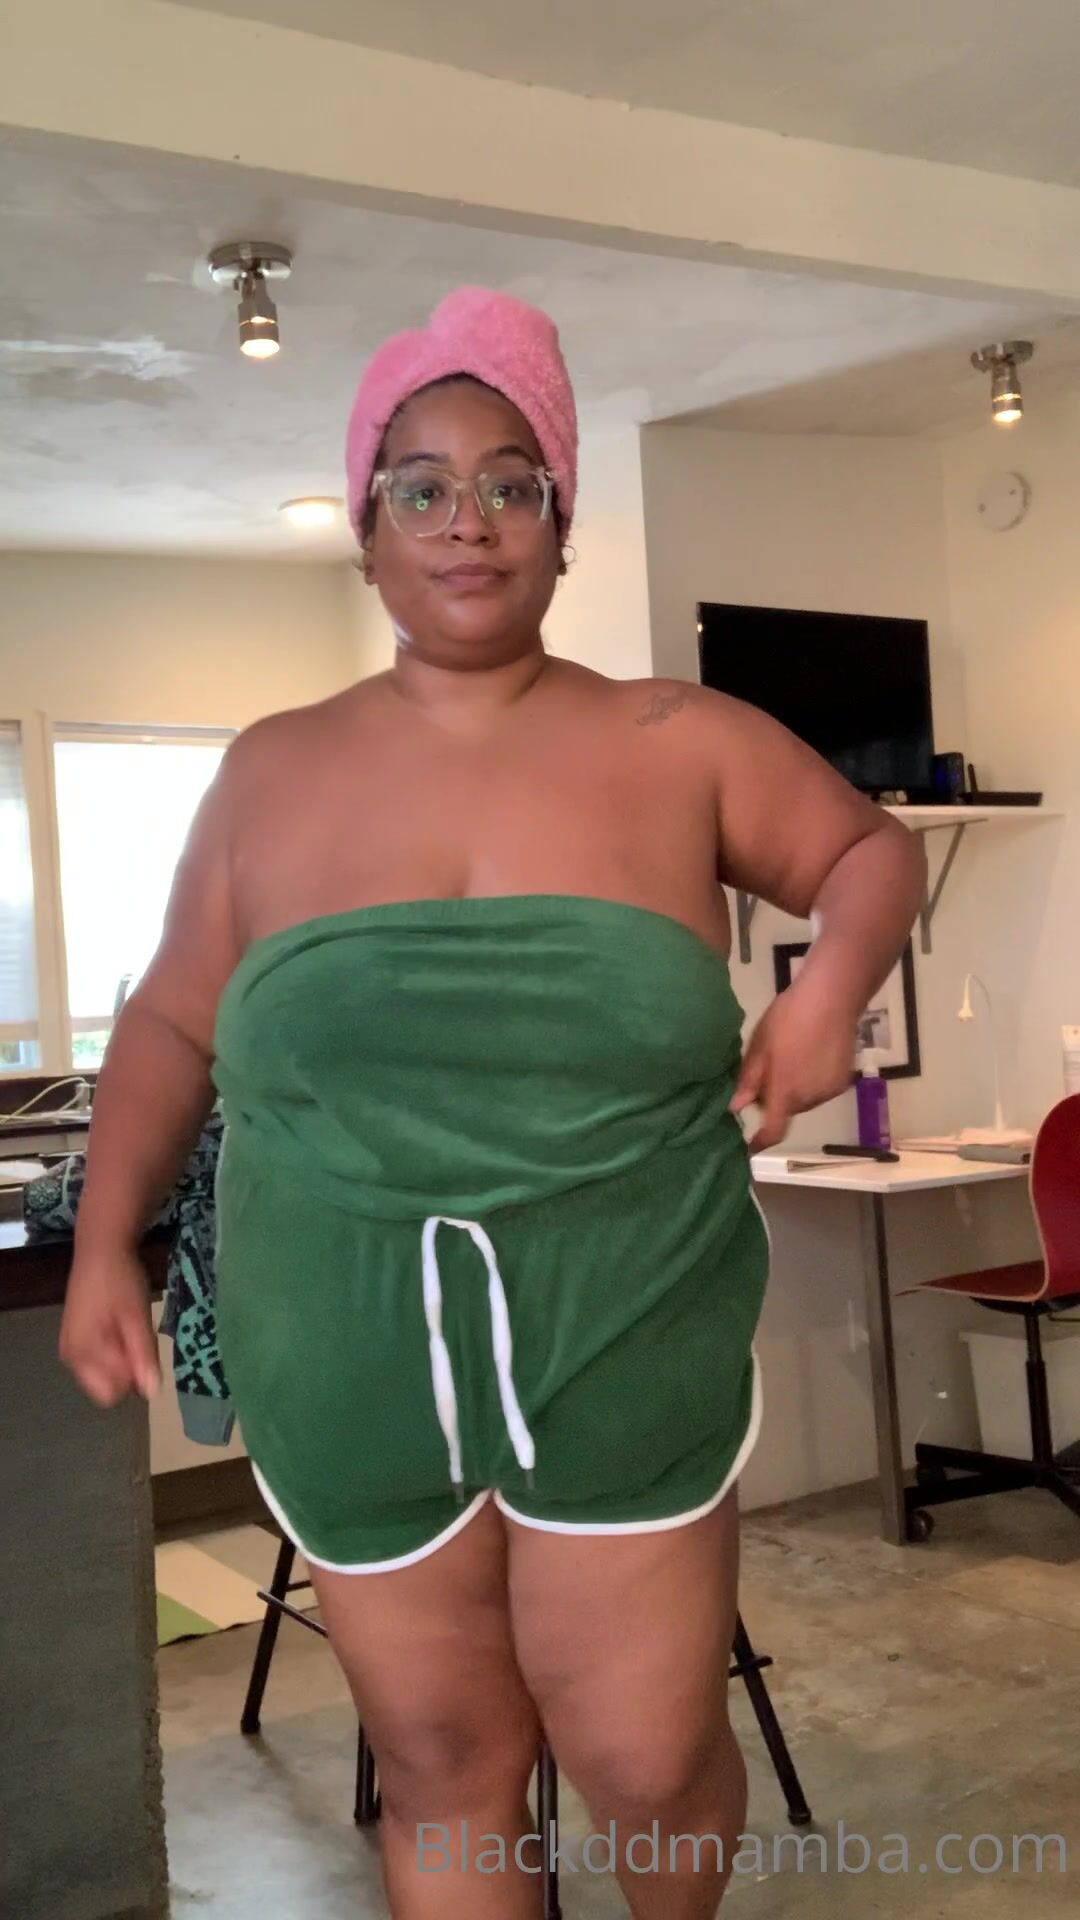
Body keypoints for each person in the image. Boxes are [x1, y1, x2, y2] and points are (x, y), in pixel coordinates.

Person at [61, 286, 925, 1919]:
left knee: (645, 1755)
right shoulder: (269, 772)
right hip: (348, 1345)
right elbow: (173, 1021)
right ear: (368, 534)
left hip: (626, 1321)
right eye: (423, 487)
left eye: (511, 483)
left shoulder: (676, 736)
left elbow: (870, 852)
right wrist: (109, 1240)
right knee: (444, 1756)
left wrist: (828, 993)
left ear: (561, 523)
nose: (469, 520)